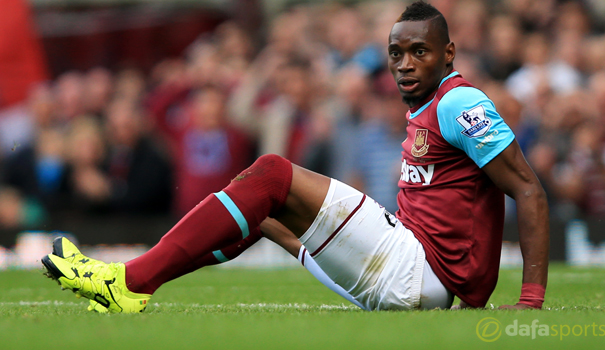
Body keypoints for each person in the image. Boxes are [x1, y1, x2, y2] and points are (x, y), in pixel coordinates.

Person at [41, 1, 549, 313]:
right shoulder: (431, 106)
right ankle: (138, 283)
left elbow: (527, 188)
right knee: (260, 214)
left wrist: (528, 300)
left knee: (271, 173)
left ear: (450, 53)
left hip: (416, 271)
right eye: (397, 53)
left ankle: (128, 282)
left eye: (420, 51)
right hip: (414, 278)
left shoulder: (461, 101)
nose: (405, 64)